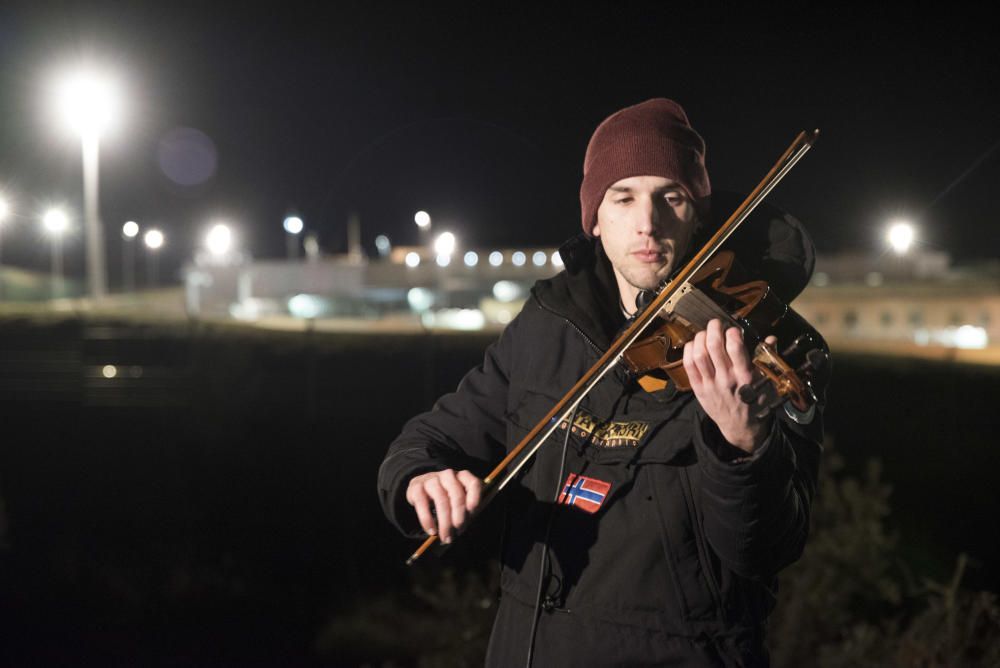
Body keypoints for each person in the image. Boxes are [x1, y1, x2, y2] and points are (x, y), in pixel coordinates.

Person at [378, 98, 826, 666]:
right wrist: (419, 478)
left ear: (697, 214)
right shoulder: (547, 324)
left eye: (672, 197)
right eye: (624, 197)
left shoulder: (766, 350)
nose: (648, 222)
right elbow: (428, 440)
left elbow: (766, 548)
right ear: (595, 216)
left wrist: (743, 447)